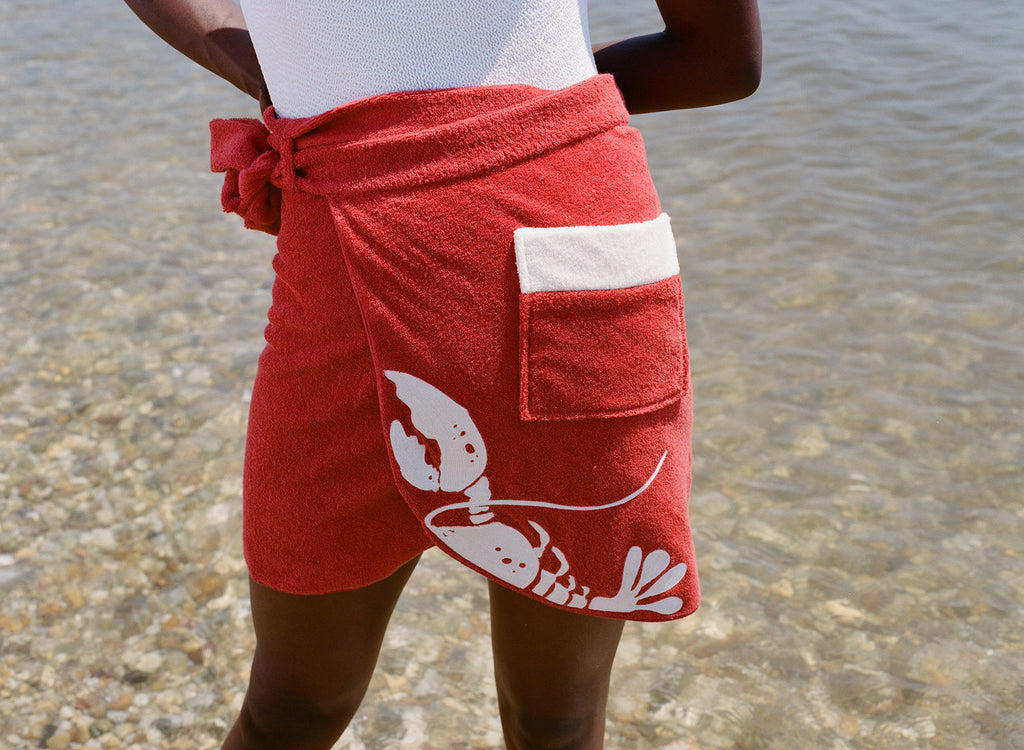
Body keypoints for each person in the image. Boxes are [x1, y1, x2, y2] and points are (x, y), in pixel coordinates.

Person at [122, 1, 761, 748]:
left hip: (552, 248)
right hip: (344, 257)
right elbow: (719, 61)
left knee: (545, 718)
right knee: (294, 707)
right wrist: (270, 69)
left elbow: (718, 60)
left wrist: (415, 108)